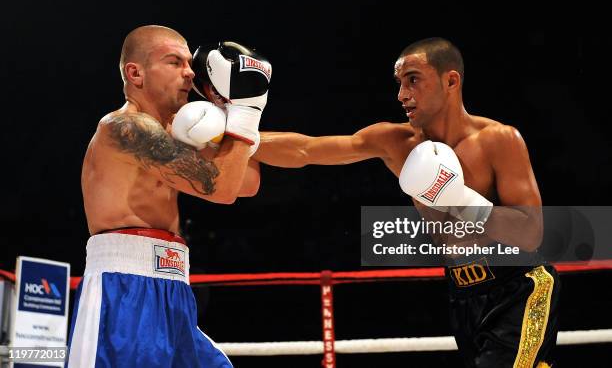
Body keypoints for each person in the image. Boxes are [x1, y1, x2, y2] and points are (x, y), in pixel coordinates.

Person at [251, 38, 559, 367]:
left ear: (451, 81)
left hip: (518, 288)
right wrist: (234, 137)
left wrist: (460, 200)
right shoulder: (396, 143)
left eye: (413, 79)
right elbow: (306, 150)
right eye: (399, 83)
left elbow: (530, 233)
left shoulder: (499, 140)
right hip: (462, 295)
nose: (402, 95)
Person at [67, 25, 270, 367]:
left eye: (190, 63)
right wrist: (247, 112)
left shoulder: (179, 131)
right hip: (124, 294)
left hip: (174, 289)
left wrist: (233, 113)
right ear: (136, 73)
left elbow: (244, 184)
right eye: (174, 62)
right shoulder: (125, 128)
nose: (190, 72)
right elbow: (220, 189)